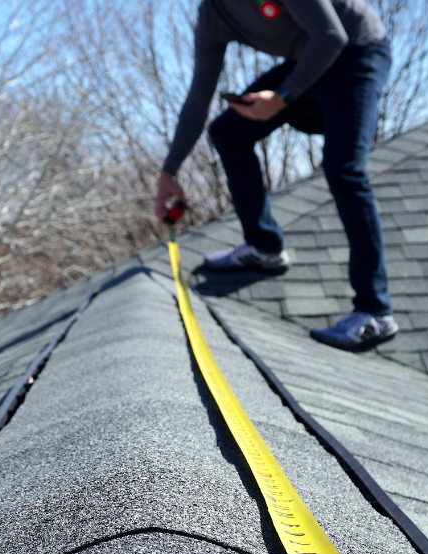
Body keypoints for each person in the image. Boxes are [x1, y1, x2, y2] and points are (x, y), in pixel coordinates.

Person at [154, 0, 396, 351]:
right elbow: (198, 98)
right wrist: (168, 173)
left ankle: (376, 312)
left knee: (344, 170)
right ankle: (264, 247)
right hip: (308, 62)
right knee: (228, 133)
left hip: (358, 51)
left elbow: (331, 35)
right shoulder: (212, 15)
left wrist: (283, 96)